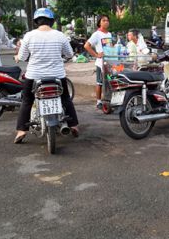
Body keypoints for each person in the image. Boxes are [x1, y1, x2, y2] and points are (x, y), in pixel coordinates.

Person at [14, 8, 79, 143]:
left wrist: (17, 57)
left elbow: (23, 56)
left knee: (27, 101)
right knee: (66, 99)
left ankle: (21, 130)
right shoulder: (60, 35)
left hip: (34, 76)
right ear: (51, 21)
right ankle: (74, 125)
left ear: (36, 21)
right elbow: (69, 54)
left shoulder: (29, 36)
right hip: (57, 76)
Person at [84, 15, 113, 110]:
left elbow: (110, 46)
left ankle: (109, 99)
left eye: (107, 20)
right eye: (104, 20)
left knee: (110, 81)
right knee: (100, 82)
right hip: (100, 63)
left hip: (109, 63)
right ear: (99, 22)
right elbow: (87, 46)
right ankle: (98, 101)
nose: (106, 22)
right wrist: (96, 55)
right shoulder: (97, 34)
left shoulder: (109, 34)